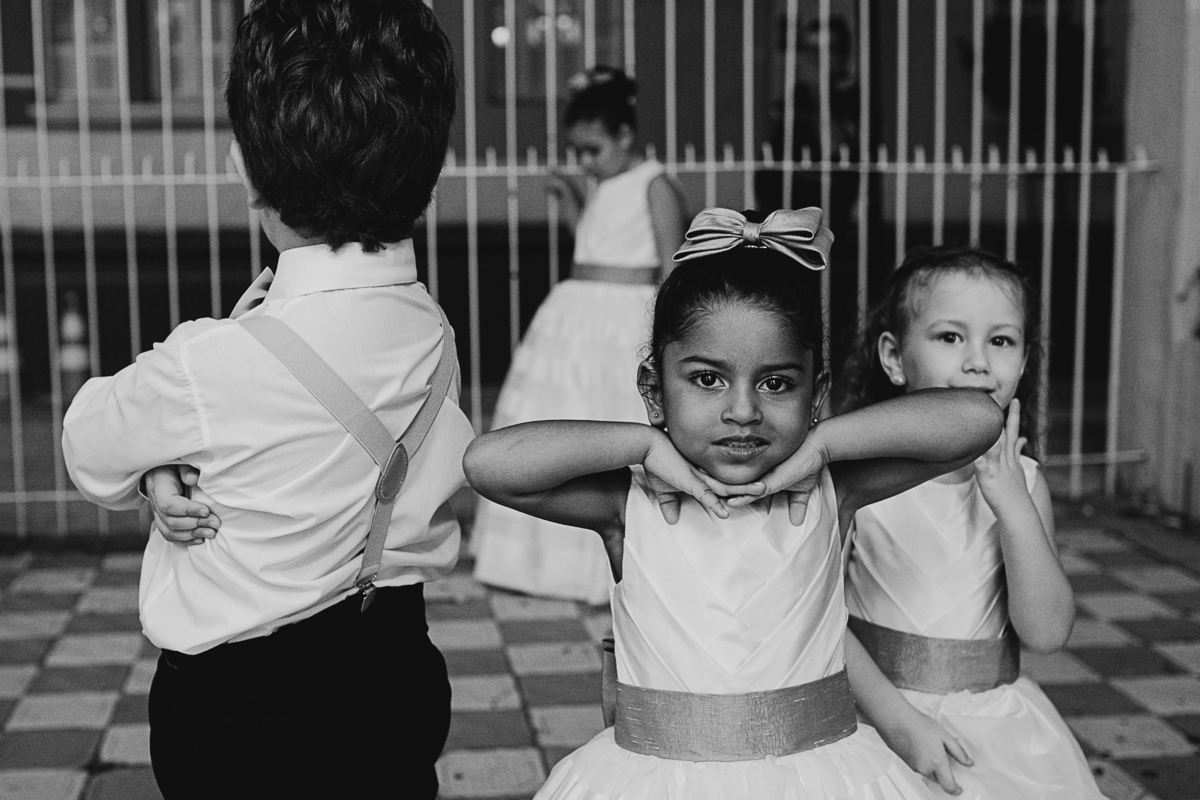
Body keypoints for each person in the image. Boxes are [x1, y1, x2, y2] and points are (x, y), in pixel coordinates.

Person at [60, 3, 471, 798]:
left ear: (245, 169)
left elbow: (88, 441)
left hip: (243, 712)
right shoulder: (431, 328)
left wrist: (156, 469)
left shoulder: (207, 361)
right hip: (398, 676)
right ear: (430, 166)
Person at [463, 207, 1003, 798]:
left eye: (776, 383)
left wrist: (824, 444)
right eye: (707, 379)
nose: (743, 411)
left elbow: (977, 419)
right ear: (654, 391)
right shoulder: (630, 503)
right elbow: (489, 464)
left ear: (815, 393)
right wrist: (642, 444)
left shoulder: (833, 488)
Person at [836, 246, 1105, 797]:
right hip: (873, 716)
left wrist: (1013, 505)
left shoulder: (1024, 482)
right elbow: (817, 617)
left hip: (993, 732)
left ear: (1023, 363)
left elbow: (1047, 633)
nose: (978, 361)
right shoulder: (854, 480)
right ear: (894, 357)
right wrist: (898, 722)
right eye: (950, 337)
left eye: (1001, 341)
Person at [471, 66, 688, 604]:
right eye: (578, 151)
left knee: (608, 417)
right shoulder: (603, 185)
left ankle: (613, 557)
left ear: (625, 135)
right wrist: (571, 199)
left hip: (624, 316)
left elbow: (670, 263)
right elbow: (591, 242)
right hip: (577, 311)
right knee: (563, 415)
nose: (586, 161)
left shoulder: (655, 183)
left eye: (594, 150)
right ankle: (544, 562)